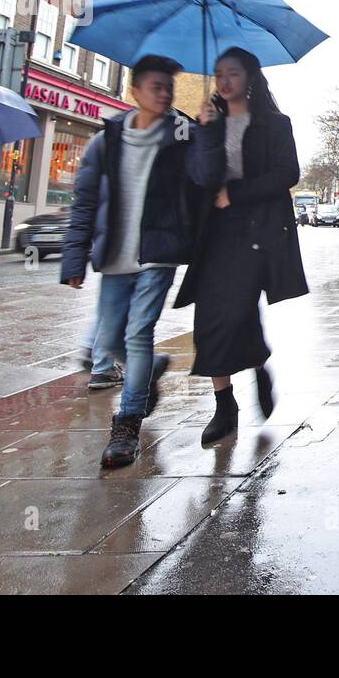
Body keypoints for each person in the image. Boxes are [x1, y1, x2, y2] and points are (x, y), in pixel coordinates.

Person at [60, 55, 222, 468]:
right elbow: (86, 199)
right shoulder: (107, 139)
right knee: (109, 340)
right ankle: (149, 370)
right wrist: (74, 257)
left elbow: (205, 178)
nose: (165, 94)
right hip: (115, 253)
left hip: (159, 250)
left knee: (137, 334)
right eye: (156, 87)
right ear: (135, 91)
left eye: (169, 87)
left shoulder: (183, 133)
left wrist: (207, 132)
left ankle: (127, 422)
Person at [174, 47, 309, 447]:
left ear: (250, 77)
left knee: (235, 311)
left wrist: (237, 193)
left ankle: (257, 363)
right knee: (210, 319)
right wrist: (206, 133)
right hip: (213, 233)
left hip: (257, 232)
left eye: (232, 73)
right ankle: (224, 404)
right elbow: (199, 176)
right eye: (219, 73)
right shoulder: (208, 122)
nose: (224, 80)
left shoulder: (274, 124)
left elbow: (289, 173)